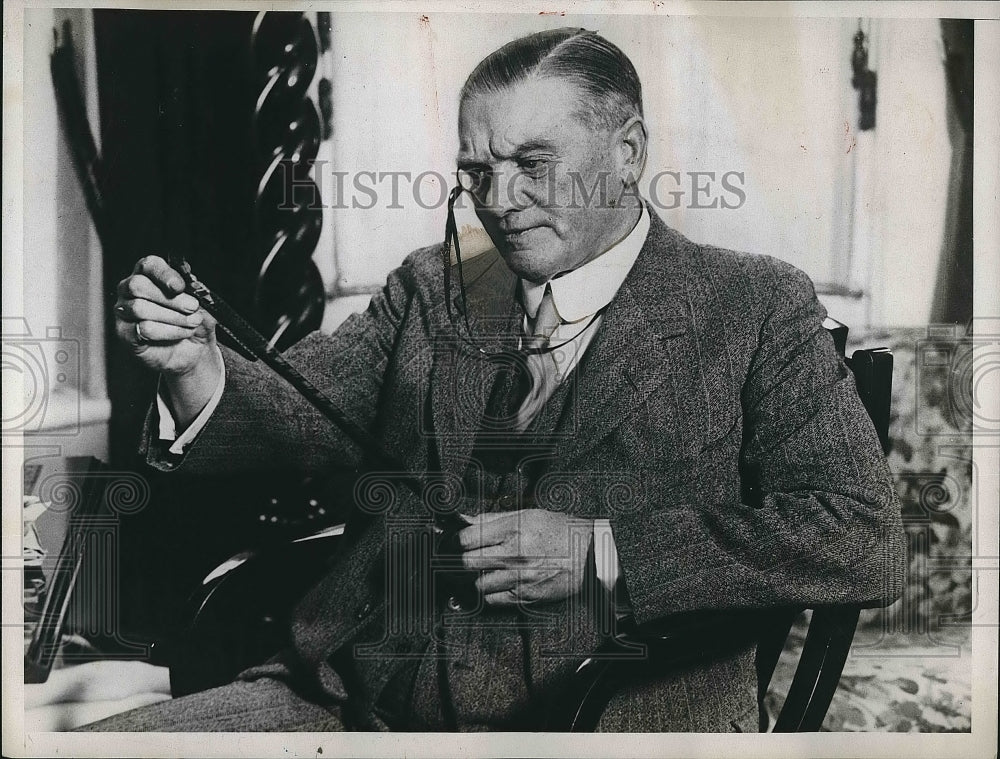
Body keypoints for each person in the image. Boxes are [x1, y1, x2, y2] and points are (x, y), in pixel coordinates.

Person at [86, 27, 904, 732]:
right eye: (477, 172)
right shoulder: (432, 288)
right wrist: (194, 364)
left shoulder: (753, 304)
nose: (499, 202)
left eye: (533, 164)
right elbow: (296, 411)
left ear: (628, 153)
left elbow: (860, 535)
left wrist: (603, 553)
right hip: (350, 700)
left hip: (606, 716)